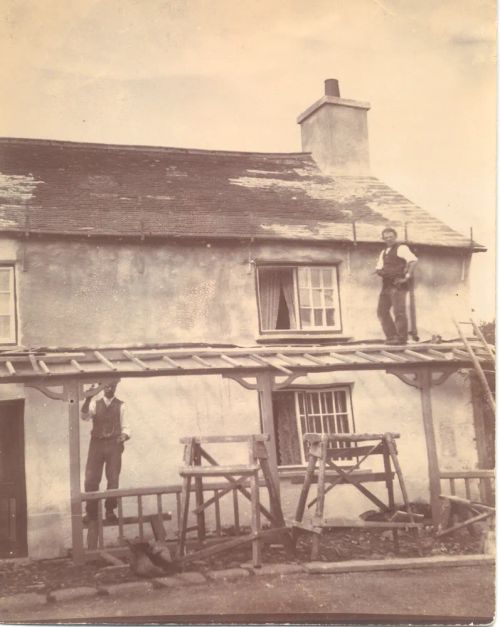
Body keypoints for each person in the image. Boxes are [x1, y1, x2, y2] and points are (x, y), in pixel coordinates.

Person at [81, 380, 130, 523]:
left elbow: (126, 426)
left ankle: (110, 510)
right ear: (102, 388)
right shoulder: (95, 404)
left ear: (116, 387)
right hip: (96, 444)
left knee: (113, 478)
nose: (109, 388)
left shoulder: (121, 405)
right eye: (106, 386)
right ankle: (91, 512)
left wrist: (124, 436)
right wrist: (88, 397)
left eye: (112, 386)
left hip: (114, 445)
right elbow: (84, 416)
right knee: (91, 478)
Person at [375, 227, 418, 345]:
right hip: (386, 285)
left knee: (399, 311)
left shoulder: (401, 248)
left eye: (391, 237)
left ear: (395, 237)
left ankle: (401, 338)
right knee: (381, 311)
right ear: (383, 239)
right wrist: (380, 271)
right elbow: (378, 267)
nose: (389, 239)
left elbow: (413, 261)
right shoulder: (383, 252)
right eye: (386, 237)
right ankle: (391, 336)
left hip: (398, 284)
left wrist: (407, 276)